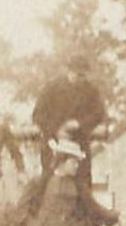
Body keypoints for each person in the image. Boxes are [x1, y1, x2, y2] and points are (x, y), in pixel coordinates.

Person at [19, 140, 119, 226]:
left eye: (77, 162)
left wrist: (112, 215)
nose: (77, 165)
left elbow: (95, 208)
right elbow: (22, 209)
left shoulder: (78, 186)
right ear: (62, 161)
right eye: (73, 162)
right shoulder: (41, 182)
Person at [31, 54, 108, 187]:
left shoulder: (91, 91)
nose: (80, 79)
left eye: (83, 75)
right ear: (69, 71)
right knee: (50, 183)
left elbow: (99, 114)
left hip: (79, 142)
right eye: (78, 74)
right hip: (53, 144)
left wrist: (79, 124)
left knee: (82, 185)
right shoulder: (52, 87)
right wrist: (56, 130)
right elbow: (38, 115)